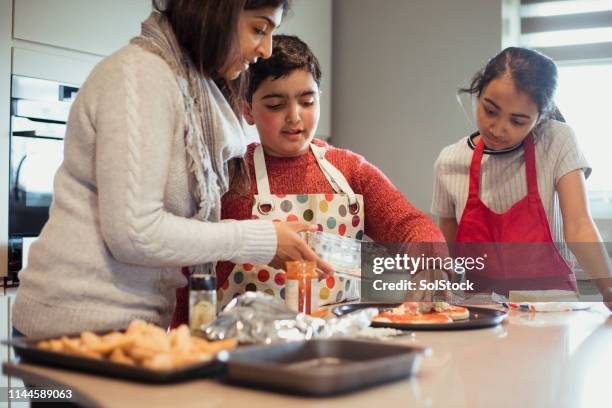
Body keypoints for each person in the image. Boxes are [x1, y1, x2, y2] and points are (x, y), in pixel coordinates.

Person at [12, 0, 333, 339]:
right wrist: (262, 240)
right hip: (73, 326)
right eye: (259, 28)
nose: (265, 49)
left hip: (130, 327)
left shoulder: (194, 90)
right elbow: (135, 234)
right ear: (218, 13)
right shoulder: (141, 75)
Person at [191, 34, 445, 311]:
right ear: (247, 109)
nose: (294, 116)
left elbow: (409, 223)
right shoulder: (231, 175)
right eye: (276, 105)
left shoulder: (349, 170)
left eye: (307, 101)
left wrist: (430, 264)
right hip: (249, 346)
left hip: (339, 341)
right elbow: (193, 263)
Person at [431, 47, 612, 307]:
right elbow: (447, 244)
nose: (498, 128)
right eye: (490, 110)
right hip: (481, 312)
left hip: (551, 309)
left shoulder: (557, 140)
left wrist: (608, 289)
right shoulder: (449, 161)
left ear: (539, 118)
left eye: (518, 121)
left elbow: (579, 225)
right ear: (478, 93)